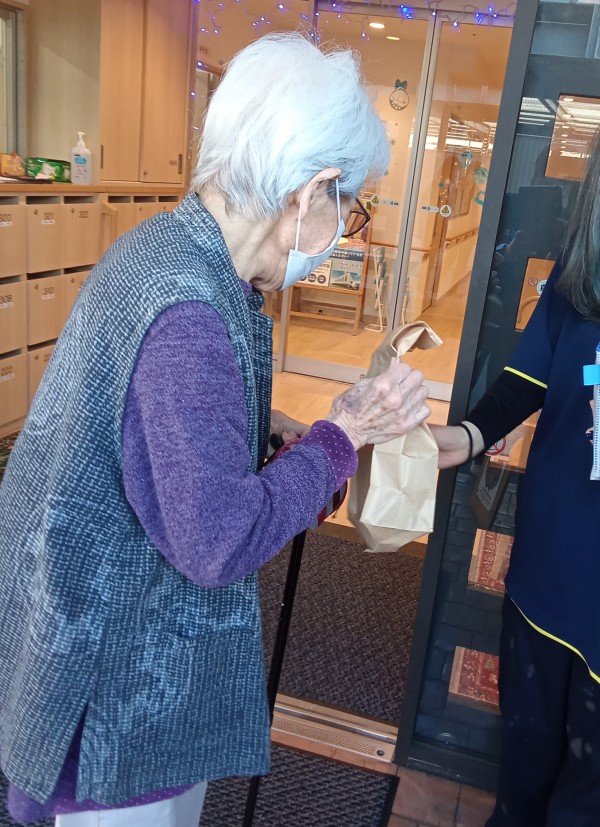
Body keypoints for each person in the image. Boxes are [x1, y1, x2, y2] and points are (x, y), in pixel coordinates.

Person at [0, 32, 431, 827]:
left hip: (69, 626)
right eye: (350, 203)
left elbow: (156, 429)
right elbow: (216, 539)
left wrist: (269, 431)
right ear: (312, 191)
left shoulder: (163, 251)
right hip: (114, 687)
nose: (346, 222)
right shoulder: (192, 313)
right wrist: (342, 434)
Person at [430, 128, 600, 827]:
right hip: (547, 572)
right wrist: (467, 435)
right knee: (522, 783)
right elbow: (527, 379)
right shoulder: (581, 276)